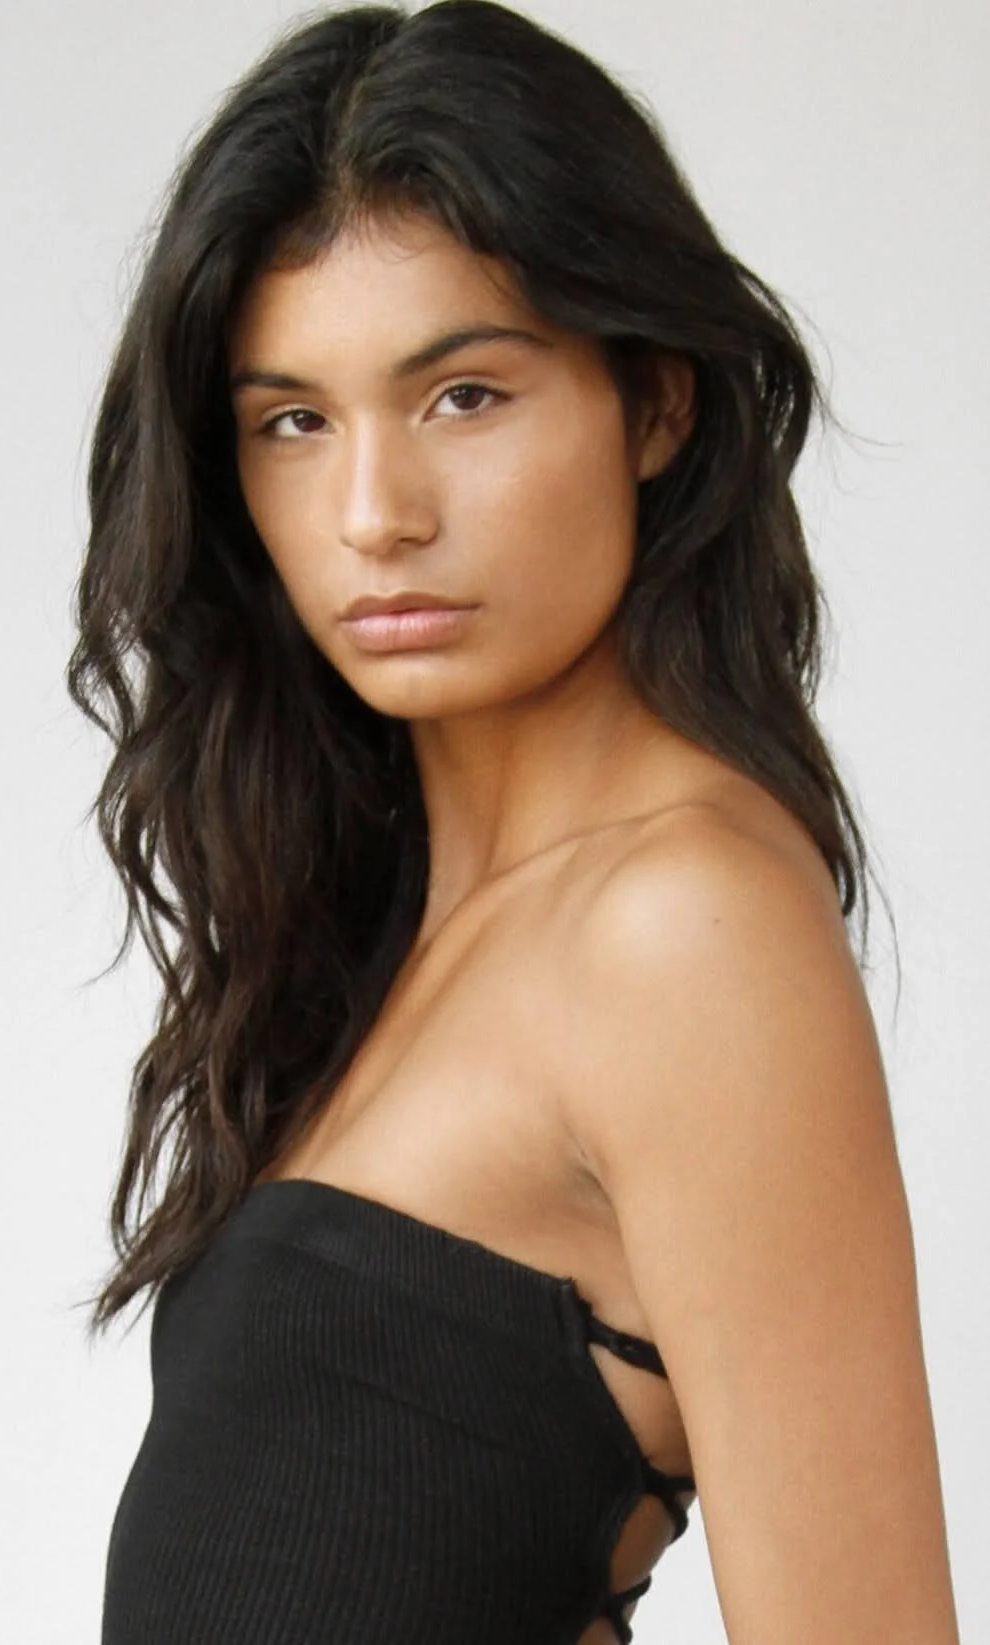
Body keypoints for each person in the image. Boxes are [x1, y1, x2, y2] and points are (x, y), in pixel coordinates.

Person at [68, 3, 961, 1642]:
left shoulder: (680, 923)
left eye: (464, 395)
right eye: (292, 421)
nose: (373, 515)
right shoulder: (394, 937)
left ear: (655, 404)